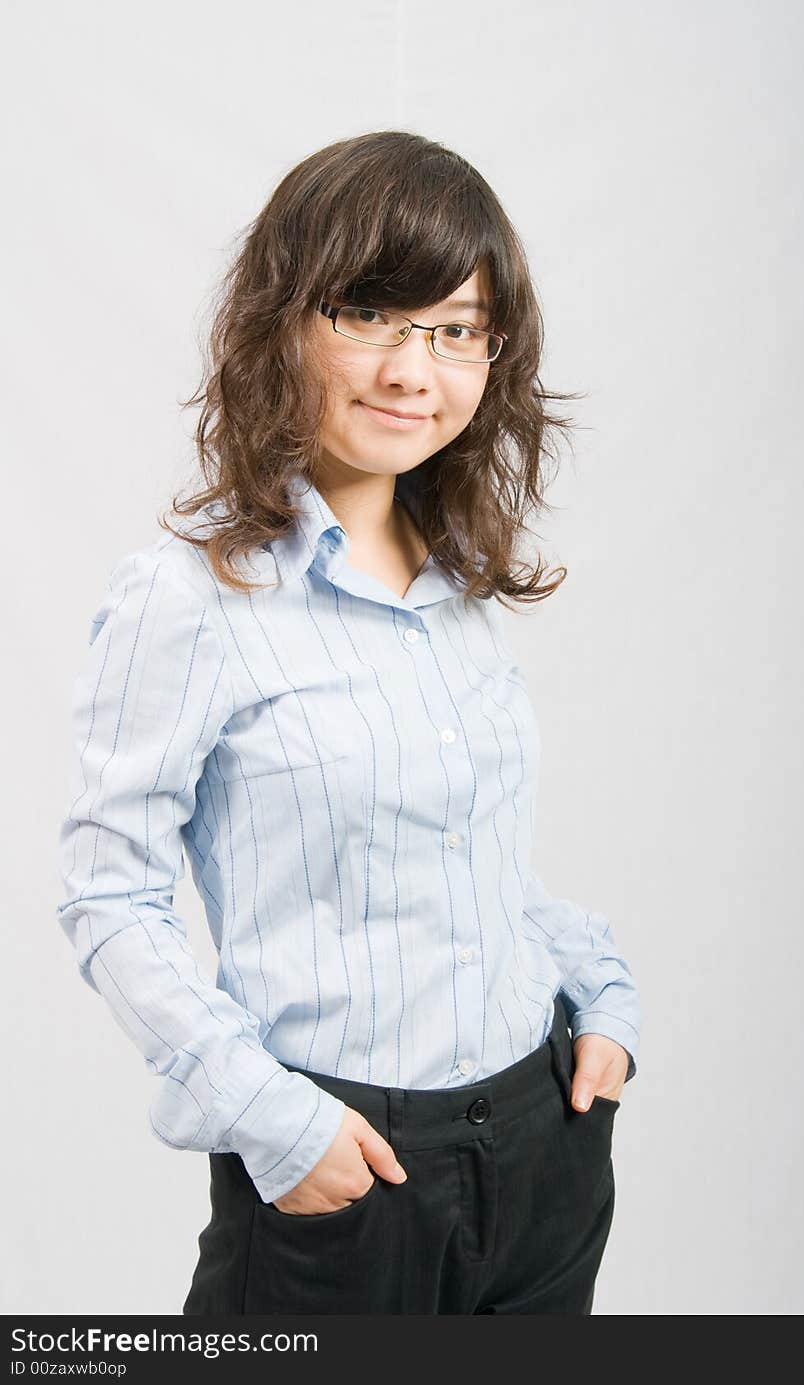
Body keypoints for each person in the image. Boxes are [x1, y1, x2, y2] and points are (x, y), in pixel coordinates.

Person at [56, 130, 642, 1316]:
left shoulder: (459, 584)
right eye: (369, 313)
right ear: (285, 319)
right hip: (347, 1172)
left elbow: (474, 865)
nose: (412, 369)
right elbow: (107, 892)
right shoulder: (188, 594)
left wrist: (606, 1006)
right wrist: (277, 1122)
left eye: (455, 328)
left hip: (541, 1151)